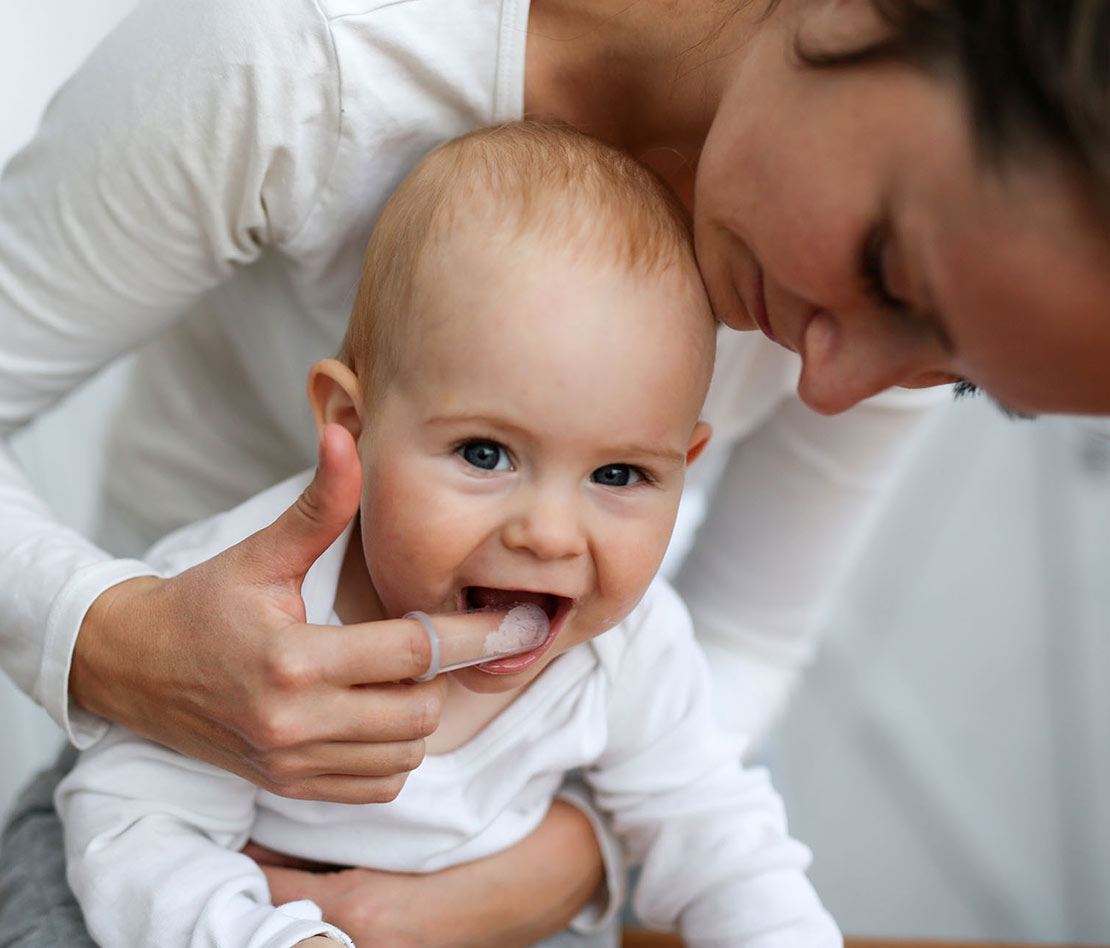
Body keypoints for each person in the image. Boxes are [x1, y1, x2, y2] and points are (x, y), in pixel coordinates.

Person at [1, 0, 1105, 943]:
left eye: (958, 377)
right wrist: (112, 640)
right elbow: (136, 831)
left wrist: (564, 864)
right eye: (889, 269)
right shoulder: (299, 59)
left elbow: (725, 755)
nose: (832, 390)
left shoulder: (626, 653)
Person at [55, 121, 840, 948]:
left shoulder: (631, 648)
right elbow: (132, 832)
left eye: (618, 476)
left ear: (685, 467)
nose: (548, 534)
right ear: (352, 427)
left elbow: (720, 838)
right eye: (485, 453)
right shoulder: (242, 611)